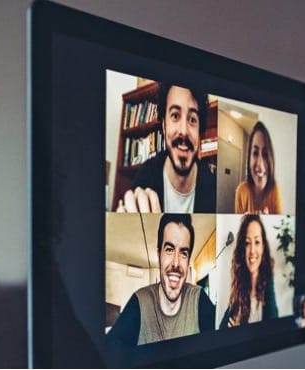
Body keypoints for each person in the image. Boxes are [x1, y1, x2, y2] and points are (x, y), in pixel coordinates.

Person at [107, 213, 216, 347]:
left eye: (183, 253)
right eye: (169, 250)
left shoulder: (198, 298)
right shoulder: (140, 301)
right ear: (159, 255)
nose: (176, 264)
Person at [117, 84, 216, 213]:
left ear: (199, 132)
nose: (183, 131)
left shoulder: (212, 186)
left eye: (192, 119)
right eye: (175, 116)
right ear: (164, 125)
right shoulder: (145, 175)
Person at [220, 214, 278, 328]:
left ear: (263, 247)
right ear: (242, 249)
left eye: (257, 242)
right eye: (247, 243)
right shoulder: (238, 289)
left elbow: (273, 331)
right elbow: (221, 330)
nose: (252, 251)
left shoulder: (268, 284)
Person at [234, 121, 282, 214]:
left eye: (265, 154)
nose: (259, 164)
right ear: (249, 158)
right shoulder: (241, 192)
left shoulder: (275, 191)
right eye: (255, 153)